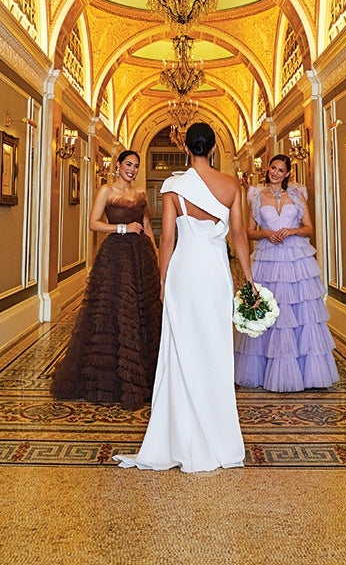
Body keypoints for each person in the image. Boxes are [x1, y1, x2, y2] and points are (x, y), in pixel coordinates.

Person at [115, 122, 258, 473]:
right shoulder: (231, 185)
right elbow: (239, 234)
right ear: (213, 149)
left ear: (187, 149)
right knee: (215, 347)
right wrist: (249, 280)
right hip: (214, 274)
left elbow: (167, 239)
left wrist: (163, 280)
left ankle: (178, 435)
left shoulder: (173, 187)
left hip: (184, 273)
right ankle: (218, 438)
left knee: (179, 349)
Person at [51, 150, 161, 410]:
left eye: (136, 166)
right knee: (115, 311)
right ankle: (114, 378)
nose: (132, 169)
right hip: (115, 258)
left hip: (141, 257)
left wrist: (156, 257)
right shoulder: (106, 191)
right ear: (118, 165)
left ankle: (145, 375)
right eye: (128, 164)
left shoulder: (141, 194)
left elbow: (146, 226)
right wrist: (122, 228)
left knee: (143, 313)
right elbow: (93, 223)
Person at [234, 155, 340, 391]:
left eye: (281, 170)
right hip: (268, 258)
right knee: (269, 308)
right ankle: (265, 370)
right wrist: (265, 234)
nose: (275, 173)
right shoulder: (256, 196)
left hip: (296, 259)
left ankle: (305, 371)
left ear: (287, 174)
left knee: (300, 312)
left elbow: (309, 228)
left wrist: (292, 231)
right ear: (268, 169)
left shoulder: (298, 195)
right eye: (273, 168)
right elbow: (248, 231)